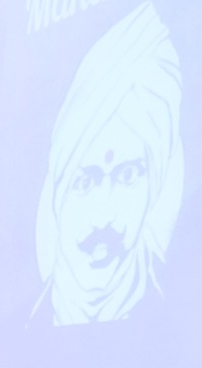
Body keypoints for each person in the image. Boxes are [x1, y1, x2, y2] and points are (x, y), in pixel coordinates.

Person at [33, 2, 183, 326]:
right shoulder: (11, 335)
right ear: (58, 190)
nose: (104, 216)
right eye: (85, 182)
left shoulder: (183, 332)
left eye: (127, 176)